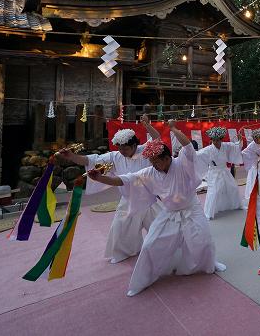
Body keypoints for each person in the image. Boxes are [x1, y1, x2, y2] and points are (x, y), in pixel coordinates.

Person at [87, 119, 226, 297]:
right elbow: (123, 179)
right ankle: (143, 280)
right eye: (151, 161)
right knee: (150, 244)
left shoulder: (181, 164)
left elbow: (188, 148)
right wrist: (99, 178)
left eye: (157, 161)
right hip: (168, 213)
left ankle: (209, 264)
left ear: (168, 158)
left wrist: (174, 129)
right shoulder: (149, 172)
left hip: (192, 209)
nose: (154, 165)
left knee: (203, 241)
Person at [58, 115, 162, 264]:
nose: (122, 151)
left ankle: (165, 251)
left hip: (149, 199)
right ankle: (126, 251)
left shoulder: (144, 151)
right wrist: (72, 156)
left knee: (161, 228)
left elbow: (157, 139)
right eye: (119, 148)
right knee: (120, 228)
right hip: (128, 200)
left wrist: (146, 125)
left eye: (125, 148)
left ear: (134, 146)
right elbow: (90, 160)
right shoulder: (115, 156)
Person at [195, 127, 242, 219]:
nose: (215, 142)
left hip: (224, 170)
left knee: (232, 187)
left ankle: (235, 205)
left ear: (221, 139)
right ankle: (209, 212)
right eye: (213, 140)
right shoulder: (208, 149)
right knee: (214, 191)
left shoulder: (226, 145)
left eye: (217, 140)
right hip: (214, 173)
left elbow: (235, 146)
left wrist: (240, 139)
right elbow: (197, 155)